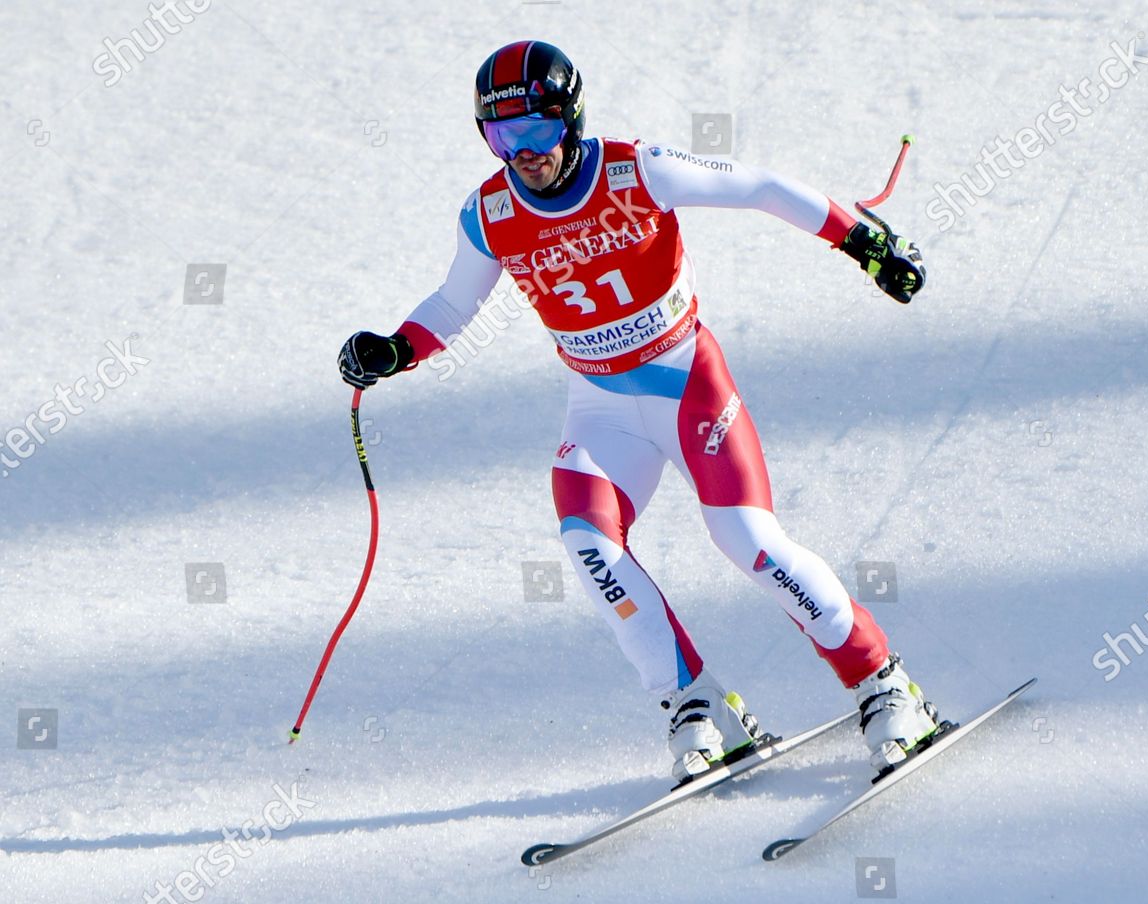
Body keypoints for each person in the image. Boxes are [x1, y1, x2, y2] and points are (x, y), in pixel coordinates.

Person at [339, 40, 938, 781]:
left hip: (687, 382)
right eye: (502, 138)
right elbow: (453, 303)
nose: (522, 154)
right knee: (588, 541)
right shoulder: (489, 213)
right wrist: (395, 350)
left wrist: (860, 240)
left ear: (572, 119)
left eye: (537, 132)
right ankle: (695, 702)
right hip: (601, 405)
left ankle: (882, 680)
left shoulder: (634, 168)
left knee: (747, 540)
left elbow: (758, 186)